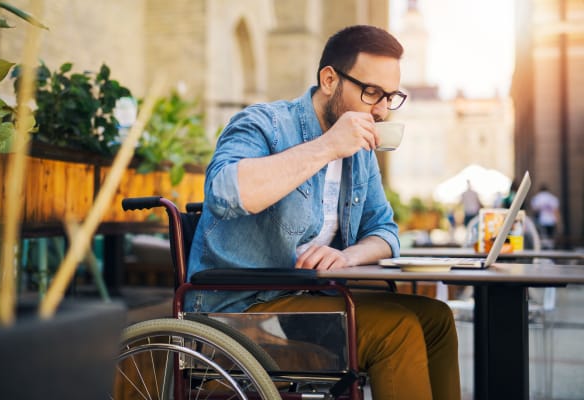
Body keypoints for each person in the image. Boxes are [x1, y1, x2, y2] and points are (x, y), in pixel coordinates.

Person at [185, 25, 460, 400]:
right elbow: (226, 191)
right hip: (243, 310)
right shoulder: (264, 124)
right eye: (372, 92)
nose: (381, 110)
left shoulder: (361, 154)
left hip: (309, 303)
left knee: (437, 318)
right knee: (396, 328)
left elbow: (385, 231)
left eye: (390, 96)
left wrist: (346, 255)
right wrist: (327, 146)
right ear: (329, 79)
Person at [530, 184, 560, 248]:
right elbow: (556, 211)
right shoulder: (552, 198)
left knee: (543, 238)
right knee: (551, 238)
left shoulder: (537, 198)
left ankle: (544, 250)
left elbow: (534, 210)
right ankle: (550, 250)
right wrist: (558, 223)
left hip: (541, 221)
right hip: (551, 221)